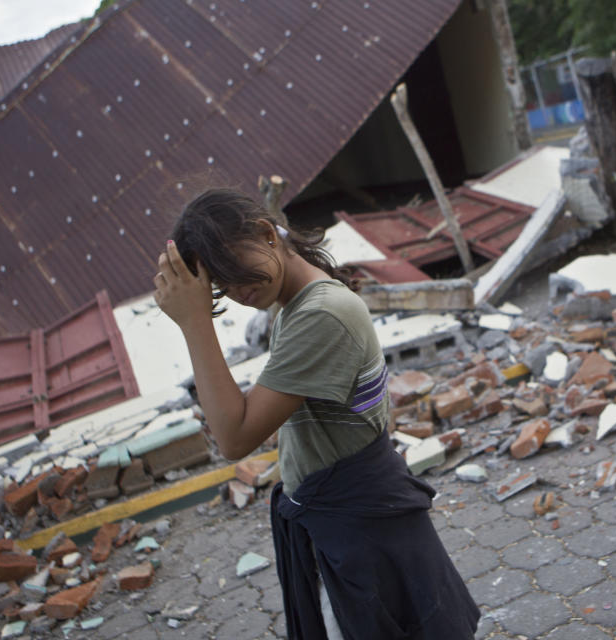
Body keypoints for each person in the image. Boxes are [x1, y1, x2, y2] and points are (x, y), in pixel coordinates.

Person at [153, 188, 479, 640]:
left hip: (360, 526)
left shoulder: (322, 314)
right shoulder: (296, 309)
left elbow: (235, 437)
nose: (239, 293)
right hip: (351, 522)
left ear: (267, 234)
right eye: (222, 287)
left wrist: (194, 323)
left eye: (236, 273)